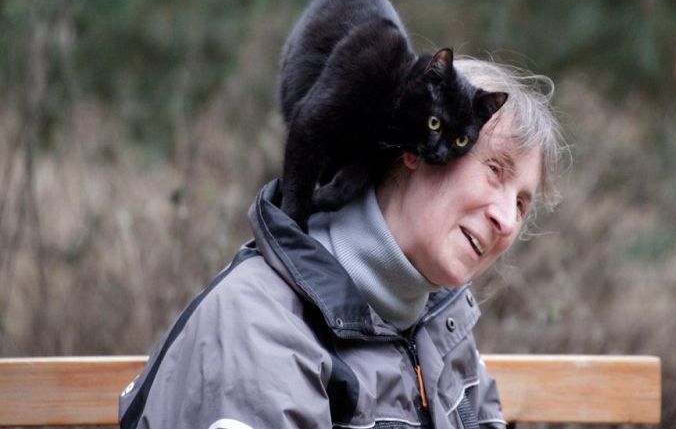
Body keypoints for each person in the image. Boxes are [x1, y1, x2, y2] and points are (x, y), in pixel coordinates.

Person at [118, 57, 563, 429]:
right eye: (495, 170)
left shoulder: (442, 329)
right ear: (416, 148)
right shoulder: (260, 323)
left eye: (522, 204)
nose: (507, 220)